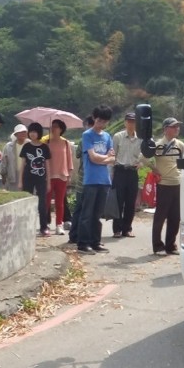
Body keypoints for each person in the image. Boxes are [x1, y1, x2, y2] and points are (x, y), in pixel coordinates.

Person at [77, 105, 116, 255]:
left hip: (104, 180)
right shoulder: (87, 135)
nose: (101, 124)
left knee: (97, 214)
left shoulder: (107, 137)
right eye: (99, 120)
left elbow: (113, 158)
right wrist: (106, 158)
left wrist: (104, 158)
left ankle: (95, 241)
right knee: (87, 213)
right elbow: (92, 157)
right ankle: (83, 243)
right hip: (91, 180)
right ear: (94, 118)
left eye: (104, 121)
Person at [151, 117, 184, 255]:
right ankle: (158, 245)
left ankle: (170, 245)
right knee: (161, 215)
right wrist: (154, 169)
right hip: (164, 184)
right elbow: (143, 157)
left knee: (175, 216)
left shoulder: (180, 145)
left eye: (178, 126)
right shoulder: (157, 145)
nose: (177, 129)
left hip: (177, 183)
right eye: (173, 126)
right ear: (166, 129)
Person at [111, 112, 143, 238]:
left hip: (132, 172)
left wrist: (141, 163)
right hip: (120, 171)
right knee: (118, 201)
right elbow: (112, 156)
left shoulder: (140, 138)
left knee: (131, 202)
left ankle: (127, 229)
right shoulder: (117, 136)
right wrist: (111, 173)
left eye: (133, 121)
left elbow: (145, 154)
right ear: (125, 122)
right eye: (129, 121)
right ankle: (117, 229)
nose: (131, 124)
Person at [18, 122, 52, 236]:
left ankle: (44, 227)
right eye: (31, 132)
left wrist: (49, 182)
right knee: (27, 201)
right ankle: (25, 225)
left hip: (41, 178)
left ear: (39, 133)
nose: (32, 134)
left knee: (42, 203)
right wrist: (20, 180)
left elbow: (47, 165)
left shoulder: (44, 147)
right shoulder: (26, 146)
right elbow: (22, 164)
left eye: (35, 132)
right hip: (28, 177)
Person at [68, 115, 95, 245]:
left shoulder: (85, 137)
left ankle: (74, 235)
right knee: (85, 209)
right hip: (87, 179)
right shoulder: (91, 137)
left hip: (83, 178)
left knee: (79, 208)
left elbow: (78, 154)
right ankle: (80, 236)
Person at [46, 119, 74, 235]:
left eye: (56, 126)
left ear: (61, 129)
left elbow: (69, 160)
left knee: (60, 202)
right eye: (52, 126)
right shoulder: (46, 143)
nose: (53, 128)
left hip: (62, 175)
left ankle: (59, 225)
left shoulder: (66, 143)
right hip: (49, 176)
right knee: (46, 201)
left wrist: (69, 175)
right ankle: (45, 224)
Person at [0, 124, 29, 191]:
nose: (23, 134)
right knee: (14, 193)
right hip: (13, 174)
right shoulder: (8, 147)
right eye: (20, 132)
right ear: (16, 135)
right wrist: (3, 174)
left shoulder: (30, 145)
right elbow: (4, 161)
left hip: (27, 174)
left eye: (24, 132)